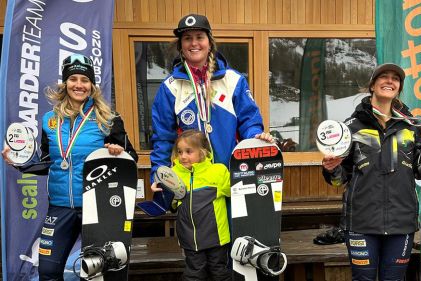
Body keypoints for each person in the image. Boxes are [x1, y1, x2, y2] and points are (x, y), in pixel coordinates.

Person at [2, 53, 138, 280]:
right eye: (73, 79)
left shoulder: (109, 119)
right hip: (60, 207)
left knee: (96, 274)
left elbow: (130, 158)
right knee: (48, 271)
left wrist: (118, 152)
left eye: (85, 80)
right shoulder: (49, 120)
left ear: (92, 86)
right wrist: (19, 163)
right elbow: (47, 161)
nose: (79, 85)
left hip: (97, 208)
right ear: (65, 83)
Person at [321, 63, 421, 281]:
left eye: (395, 78)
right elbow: (338, 181)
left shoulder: (411, 126)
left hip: (401, 222)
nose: (390, 81)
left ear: (399, 88)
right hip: (361, 223)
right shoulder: (350, 127)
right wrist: (332, 168)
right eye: (384, 77)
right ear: (373, 85)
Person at [150, 13, 272, 189]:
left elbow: (249, 122)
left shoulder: (232, 80)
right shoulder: (170, 87)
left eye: (200, 37)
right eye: (187, 38)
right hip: (191, 182)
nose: (194, 43)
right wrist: (159, 174)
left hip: (231, 178)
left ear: (209, 43)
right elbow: (163, 137)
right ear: (181, 46)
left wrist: (256, 139)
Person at [169, 129, 232, 281]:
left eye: (188, 151)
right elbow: (172, 206)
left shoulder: (218, 172)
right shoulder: (173, 174)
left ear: (202, 152)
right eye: (180, 151)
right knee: (194, 275)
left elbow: (235, 192)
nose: (183, 156)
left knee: (219, 273)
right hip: (190, 240)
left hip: (216, 239)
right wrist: (162, 194)